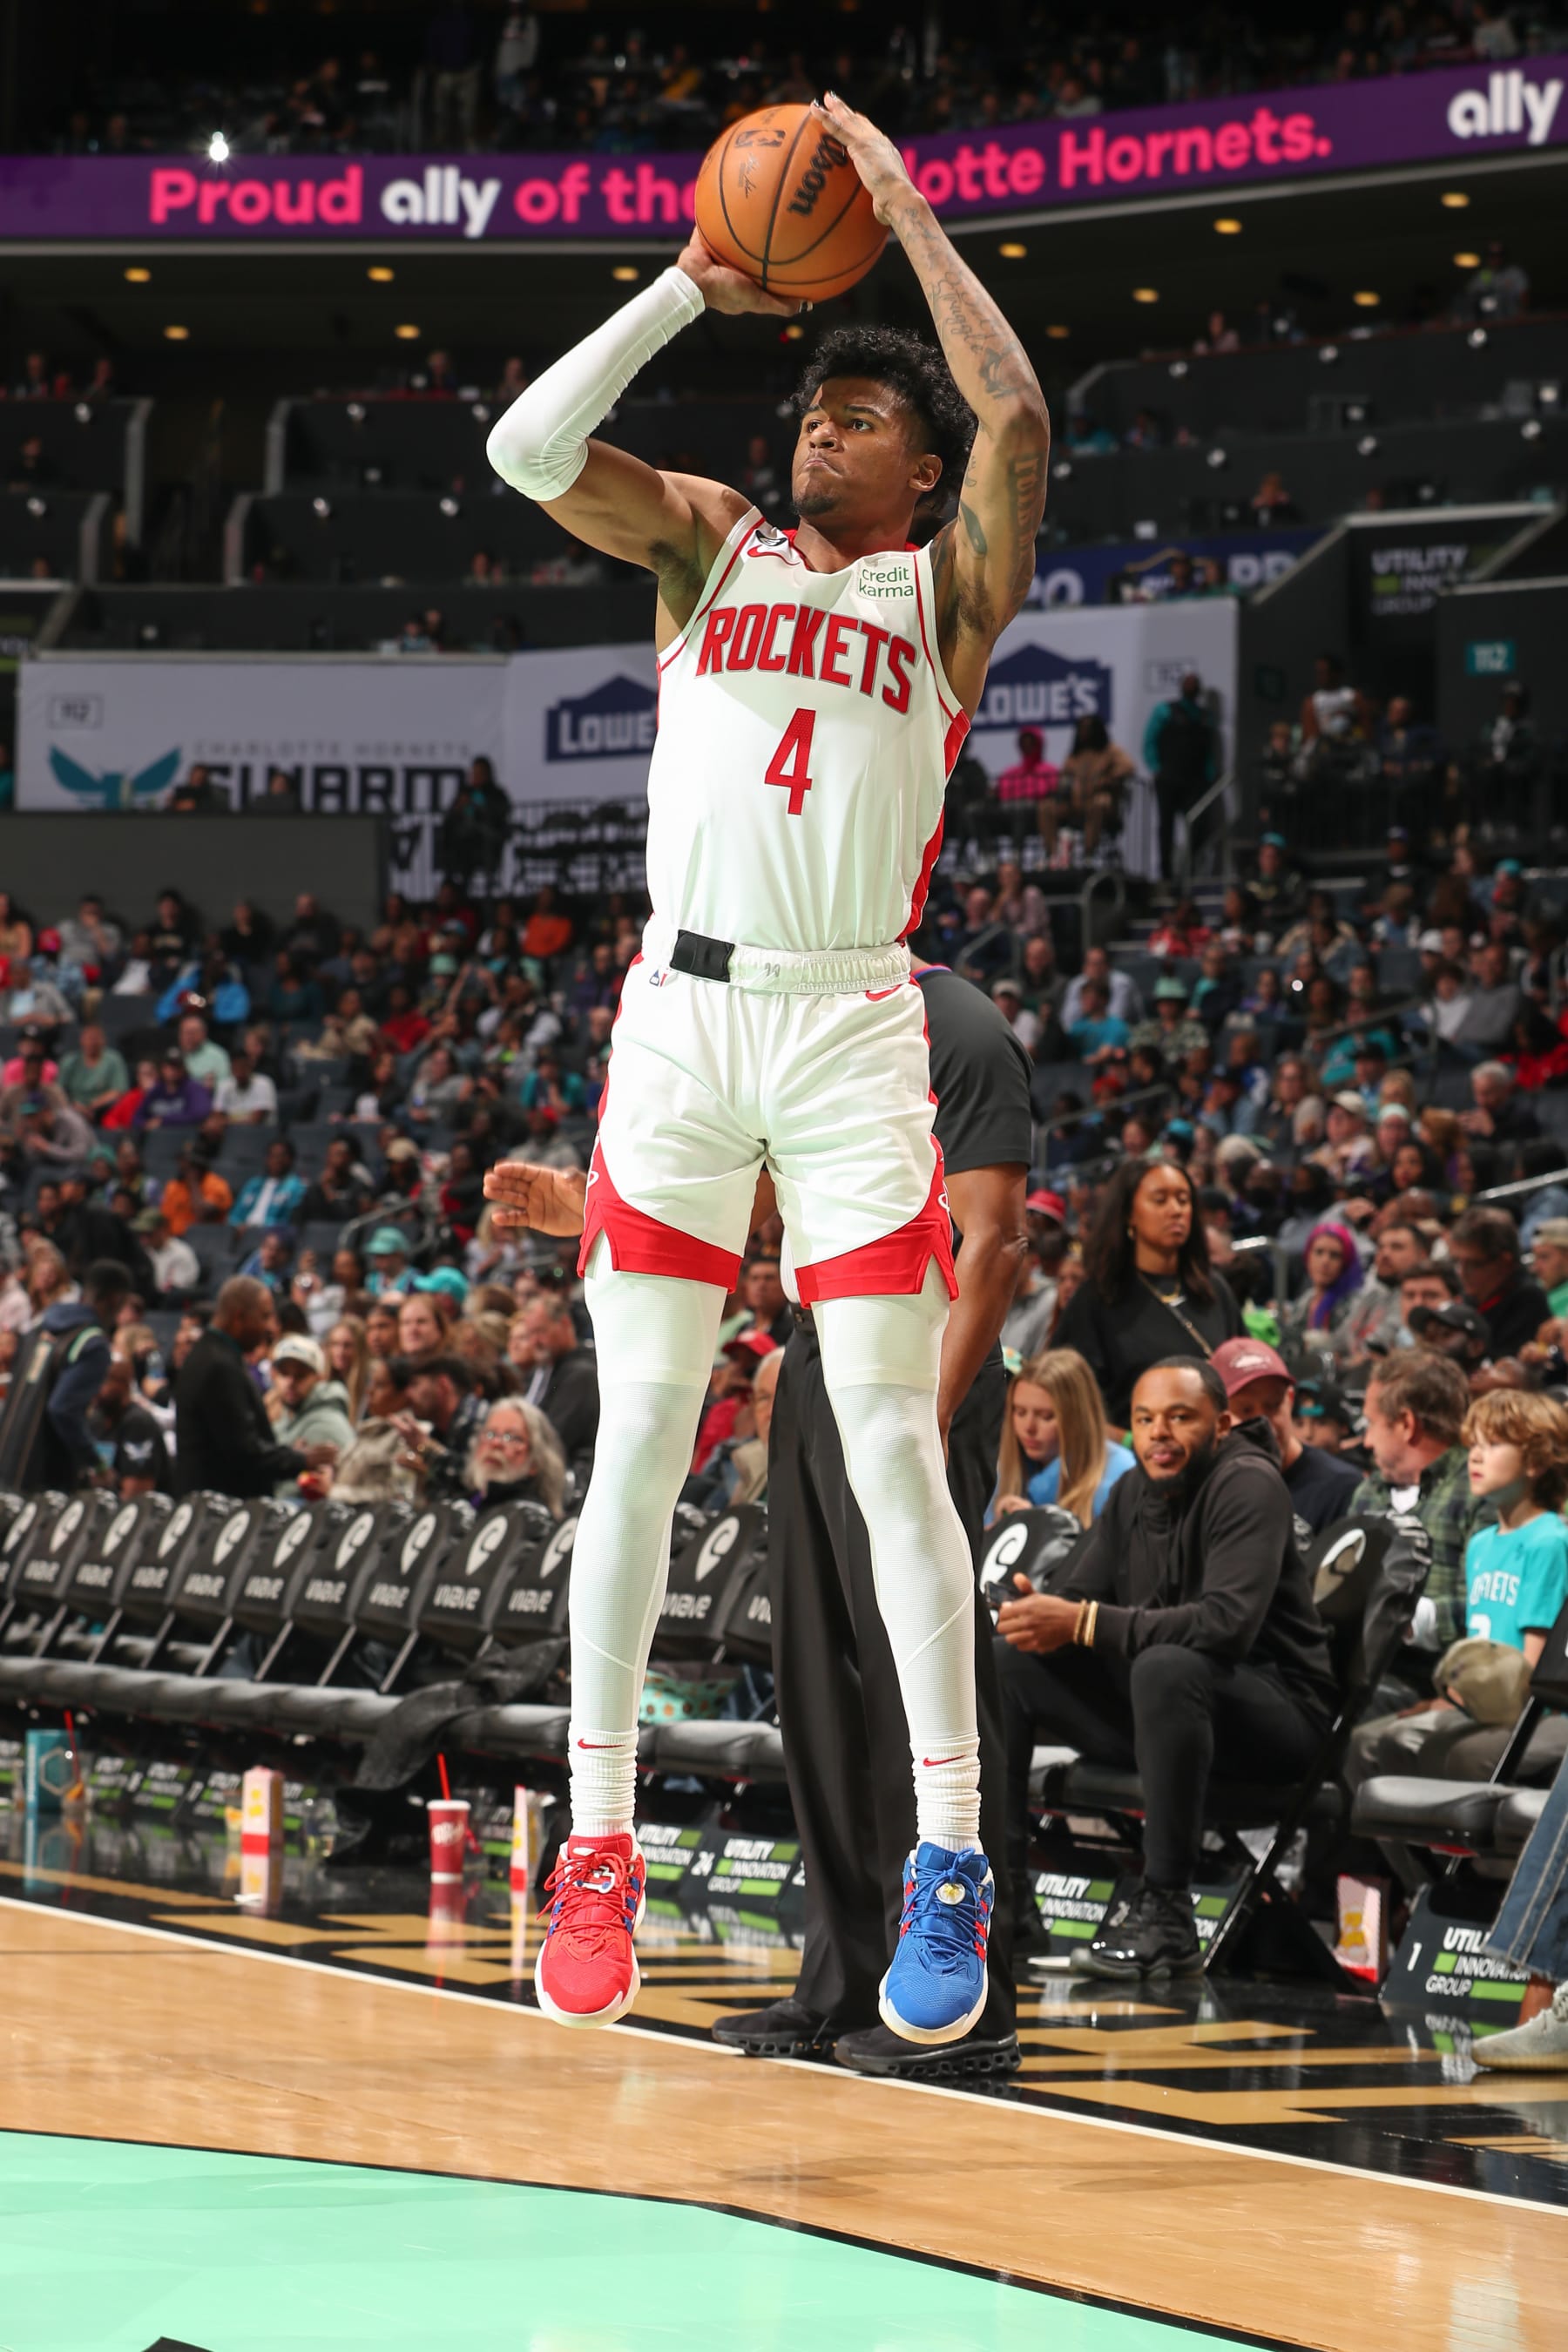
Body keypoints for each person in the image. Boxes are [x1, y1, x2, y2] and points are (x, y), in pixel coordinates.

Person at [484, 88, 1049, 2040]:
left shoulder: (942, 594)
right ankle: (602, 1837)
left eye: (863, 416)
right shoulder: (708, 549)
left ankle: (951, 1858)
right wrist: (678, 287)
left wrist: (902, 206)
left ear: (917, 473)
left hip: (846, 1017)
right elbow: (525, 446)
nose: (823, 426)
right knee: (638, 1432)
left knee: (889, 1442)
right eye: (813, 405)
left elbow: (1026, 425)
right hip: (683, 1018)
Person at [995, 1359, 1336, 1977]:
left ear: (1222, 1423)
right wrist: (1029, 1610)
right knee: (1011, 1658)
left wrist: (1081, 1622)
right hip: (1169, 1713)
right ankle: (1006, 1902)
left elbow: (1225, 1627)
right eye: (1145, 1419)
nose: (1159, 1434)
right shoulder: (1132, 1493)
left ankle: (1169, 1917)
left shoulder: (1249, 1484)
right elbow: (1076, 1600)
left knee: (1165, 1667)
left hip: (1280, 1720)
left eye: (1180, 1418)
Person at [1348, 1389, 1568, 1790]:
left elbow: (1532, 1665)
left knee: (1439, 1753)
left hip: (1525, 1708)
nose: (1476, 1456)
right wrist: (1448, 1698)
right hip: (1477, 1702)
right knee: (1366, 1745)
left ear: (1536, 1460)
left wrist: (1461, 1704)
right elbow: (1475, 1645)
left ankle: (1482, 1856)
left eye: (1494, 1444)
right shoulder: (1482, 1542)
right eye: (1474, 1444)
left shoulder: (1550, 1542)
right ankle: (1425, 1856)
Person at [1054, 1158, 1242, 1430]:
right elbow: (1066, 1399)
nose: (1176, 1210)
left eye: (1183, 1199)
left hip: (1216, 1454)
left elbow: (1241, 1376)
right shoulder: (1097, 1298)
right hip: (1130, 1460)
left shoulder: (1213, 1289)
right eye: (1160, 1199)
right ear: (1130, 1214)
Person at [1349, 1349, 1477, 1666]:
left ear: (1406, 1424)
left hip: (1436, 1678)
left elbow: (1483, 1610)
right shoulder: (1369, 1491)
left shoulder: (1476, 1491)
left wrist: (1394, 1614)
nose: (1366, 1441)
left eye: (1372, 1424)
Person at [173, 1275, 338, 1497]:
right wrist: (302, 1459)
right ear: (239, 1317)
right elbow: (242, 1454)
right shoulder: (219, 1366)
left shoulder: (210, 1355)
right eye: (264, 1316)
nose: (269, 1327)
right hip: (221, 1513)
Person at [0, 1257, 132, 1491]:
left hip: (6, 1463)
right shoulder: (92, 1344)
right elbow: (63, 1409)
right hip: (43, 1479)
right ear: (116, 1299)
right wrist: (97, 1464)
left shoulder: (38, 1329)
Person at [1209, 1335, 1359, 1535]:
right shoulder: (1205, 1487)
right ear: (1217, 1419)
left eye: (1273, 1406)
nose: (1263, 1423)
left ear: (1289, 1400)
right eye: (1246, 1410)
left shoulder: (1341, 1489)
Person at [991, 1348, 1134, 1524]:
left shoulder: (1120, 1477)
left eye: (1046, 1416)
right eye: (1019, 1412)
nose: (1029, 1428)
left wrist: (1039, 1527)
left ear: (1079, 1416)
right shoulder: (1005, 1472)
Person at [509, 1289, 600, 1472]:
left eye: (540, 1331)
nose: (535, 1341)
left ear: (564, 1324)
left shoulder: (581, 1374)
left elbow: (555, 1440)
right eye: (530, 1334)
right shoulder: (542, 1369)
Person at [1448, 1206, 1551, 1359]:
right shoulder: (1468, 1299)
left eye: (1474, 1264)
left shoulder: (1527, 1299)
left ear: (1505, 1261)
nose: (1462, 1273)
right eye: (1457, 1262)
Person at [1144, 672, 1219, 880]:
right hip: (1169, 778)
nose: (1191, 685)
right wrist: (1156, 767)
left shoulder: (1205, 716)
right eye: (1188, 682)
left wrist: (1209, 776)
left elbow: (1209, 752)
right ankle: (1165, 872)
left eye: (1194, 682)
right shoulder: (1164, 711)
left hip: (1195, 781)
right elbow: (1150, 740)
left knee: (1199, 825)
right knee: (1165, 827)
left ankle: (1192, 870)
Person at [266, 1333, 357, 1491]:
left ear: (318, 1378)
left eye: (300, 1375)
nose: (290, 1382)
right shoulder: (284, 1420)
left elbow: (294, 1491)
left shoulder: (328, 1423)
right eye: (284, 1374)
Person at [467, 1395, 568, 1517]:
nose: (496, 1443)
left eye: (512, 1437)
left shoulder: (531, 1518)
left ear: (535, 1462)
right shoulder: (467, 1503)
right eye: (490, 1434)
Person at [89, 1350, 172, 1497]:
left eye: (103, 1382)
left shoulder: (138, 1422)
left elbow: (136, 1493)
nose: (96, 1390)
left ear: (123, 1384)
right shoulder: (98, 1420)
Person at [1279, 1220, 1363, 1355]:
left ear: (1345, 1263)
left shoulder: (1352, 1303)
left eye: (1334, 1255)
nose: (1325, 1261)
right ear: (1308, 1257)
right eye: (1319, 1252)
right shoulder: (1307, 1299)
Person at [228, 1138, 307, 1231]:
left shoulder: (296, 1187)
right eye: (272, 1156)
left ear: (289, 1159)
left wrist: (261, 1229)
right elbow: (234, 1216)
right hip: (242, 1232)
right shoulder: (253, 1184)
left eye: (280, 1156)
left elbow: (290, 1220)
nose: (276, 1160)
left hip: (270, 1235)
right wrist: (237, 1226)